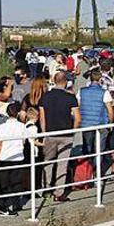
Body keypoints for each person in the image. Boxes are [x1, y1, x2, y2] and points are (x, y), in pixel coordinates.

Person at [39, 72, 80, 202]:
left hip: (50, 133)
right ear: (65, 82)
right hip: (66, 134)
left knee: (48, 162)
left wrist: (45, 133)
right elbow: (78, 118)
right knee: (62, 164)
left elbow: (42, 118)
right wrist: (73, 131)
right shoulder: (70, 98)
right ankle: (59, 193)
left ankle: (45, 189)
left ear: (53, 81)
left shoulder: (45, 97)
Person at [76, 69, 113, 174]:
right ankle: (97, 173)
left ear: (90, 78)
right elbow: (110, 111)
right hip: (101, 124)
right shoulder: (104, 92)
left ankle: (86, 173)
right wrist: (109, 123)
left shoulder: (81, 91)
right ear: (100, 79)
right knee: (99, 149)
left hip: (86, 123)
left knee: (87, 148)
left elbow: (77, 107)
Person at [0, 103, 28, 216]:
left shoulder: (2, 127)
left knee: (4, 182)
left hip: (5, 156)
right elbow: (24, 141)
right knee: (16, 182)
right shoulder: (22, 126)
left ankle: (4, 203)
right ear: (18, 113)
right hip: (18, 156)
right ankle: (16, 203)